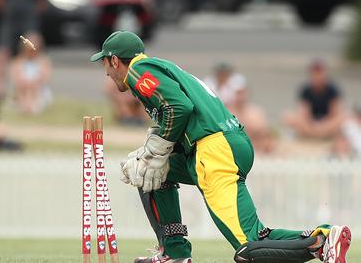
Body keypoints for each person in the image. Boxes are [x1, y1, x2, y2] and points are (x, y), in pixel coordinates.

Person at [92, 31, 351, 263]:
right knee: (152, 174)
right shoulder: (160, 68)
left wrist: (159, 147)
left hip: (215, 148)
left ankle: (322, 243)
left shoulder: (139, 69)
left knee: (248, 250)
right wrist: (155, 149)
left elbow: (179, 107)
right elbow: (179, 110)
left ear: (115, 60)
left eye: (104, 61)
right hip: (225, 143)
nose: (104, 69)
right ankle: (174, 252)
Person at [282, 60, 346, 141]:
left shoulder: (333, 89)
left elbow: (335, 111)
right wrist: (313, 124)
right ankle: (318, 134)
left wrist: (323, 124)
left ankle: (314, 134)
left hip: (327, 123)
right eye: (315, 73)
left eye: (319, 73)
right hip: (311, 123)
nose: (317, 76)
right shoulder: (305, 89)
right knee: (287, 116)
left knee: (344, 117)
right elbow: (303, 112)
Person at [9, 33, 52, 114]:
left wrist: (32, 84)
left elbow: (44, 78)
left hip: (38, 90)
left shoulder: (43, 61)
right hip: (22, 89)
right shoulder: (18, 61)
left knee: (32, 91)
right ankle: (26, 107)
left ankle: (30, 107)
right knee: (24, 91)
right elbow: (16, 78)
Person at [229, 85, 276, 155]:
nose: (240, 97)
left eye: (242, 94)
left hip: (257, 148)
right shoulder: (227, 112)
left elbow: (267, 134)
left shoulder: (256, 112)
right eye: (238, 94)